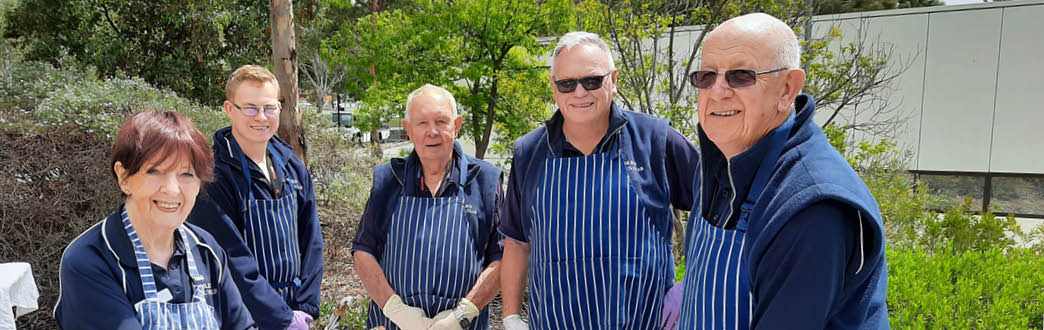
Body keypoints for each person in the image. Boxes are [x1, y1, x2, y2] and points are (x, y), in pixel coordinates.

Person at [671, 13, 889, 329]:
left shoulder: (811, 208)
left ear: (787, 88)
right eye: (706, 76)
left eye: (741, 76)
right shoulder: (716, 162)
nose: (717, 91)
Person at [498, 31, 700, 329]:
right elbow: (517, 242)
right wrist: (511, 316)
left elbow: (716, 207)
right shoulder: (529, 152)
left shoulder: (655, 140)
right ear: (553, 89)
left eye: (592, 80)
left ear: (613, 80)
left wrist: (692, 285)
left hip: (645, 321)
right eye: (567, 84)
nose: (579, 93)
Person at [54, 110, 254, 329]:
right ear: (123, 177)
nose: (171, 189)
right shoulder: (91, 259)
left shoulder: (206, 250)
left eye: (186, 174)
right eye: (154, 171)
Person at [352, 84, 503, 330]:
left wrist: (462, 314)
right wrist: (396, 310)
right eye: (422, 123)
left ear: (457, 125)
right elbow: (363, 251)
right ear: (408, 129)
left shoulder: (485, 181)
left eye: (442, 121)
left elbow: (501, 258)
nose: (432, 132)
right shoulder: (389, 180)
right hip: (392, 324)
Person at [188, 65, 322, 330]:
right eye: (250, 108)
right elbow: (230, 259)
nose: (261, 117)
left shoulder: (292, 167)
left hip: (296, 310)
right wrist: (281, 319)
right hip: (240, 315)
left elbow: (312, 239)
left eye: (269, 108)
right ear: (229, 109)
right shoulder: (214, 177)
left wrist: (305, 308)